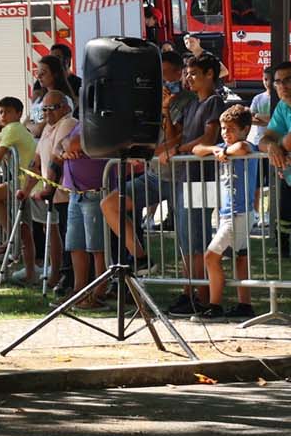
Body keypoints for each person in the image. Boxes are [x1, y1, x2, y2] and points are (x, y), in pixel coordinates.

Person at [101, 47, 189, 269]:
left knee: (188, 237)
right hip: (154, 176)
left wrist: (166, 110)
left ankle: (194, 285)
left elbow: (177, 138)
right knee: (110, 204)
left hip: (182, 177)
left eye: (165, 73)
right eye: (158, 74)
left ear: (179, 72)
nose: (162, 80)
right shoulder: (150, 98)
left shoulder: (188, 100)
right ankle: (141, 259)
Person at [164, 52, 234, 316]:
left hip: (202, 179)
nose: (189, 78)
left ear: (210, 74)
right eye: (187, 73)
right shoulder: (191, 103)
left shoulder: (214, 102)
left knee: (197, 239)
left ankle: (202, 296)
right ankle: (188, 291)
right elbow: (176, 135)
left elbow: (208, 137)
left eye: (194, 73)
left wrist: (178, 150)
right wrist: (165, 110)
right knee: (186, 239)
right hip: (185, 177)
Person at [192, 104, 261, 318]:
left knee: (210, 257)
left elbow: (243, 148)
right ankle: (245, 305)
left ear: (245, 129)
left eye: (231, 129)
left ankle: (214, 305)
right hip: (227, 213)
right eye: (223, 128)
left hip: (239, 213)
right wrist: (215, 149)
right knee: (240, 257)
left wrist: (223, 151)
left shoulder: (246, 146)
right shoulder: (223, 147)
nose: (225, 133)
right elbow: (196, 150)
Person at [0, 97, 40, 284]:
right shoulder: (8, 130)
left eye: (7, 112)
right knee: (24, 229)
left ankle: (10, 238)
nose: (2, 116)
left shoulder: (14, 129)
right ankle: (12, 240)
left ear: (19, 113)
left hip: (29, 183)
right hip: (22, 181)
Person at [57, 125, 116, 309]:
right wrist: (64, 150)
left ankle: (98, 293)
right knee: (76, 245)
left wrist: (66, 146)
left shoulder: (97, 122)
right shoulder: (79, 124)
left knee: (97, 247)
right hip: (76, 193)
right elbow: (61, 144)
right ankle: (79, 291)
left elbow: (72, 143)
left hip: (95, 192)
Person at [29, 89, 78, 296]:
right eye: (44, 109)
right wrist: (25, 189)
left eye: (52, 108)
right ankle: (59, 273)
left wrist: (48, 188)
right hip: (54, 193)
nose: (47, 112)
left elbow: (57, 157)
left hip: (66, 191)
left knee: (70, 237)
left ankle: (69, 277)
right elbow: (36, 161)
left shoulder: (67, 123)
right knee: (56, 233)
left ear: (65, 108)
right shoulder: (49, 127)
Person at [253, 60, 291, 256]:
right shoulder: (283, 107)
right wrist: (272, 147)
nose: (282, 86)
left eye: (288, 80)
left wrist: (281, 146)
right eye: (278, 81)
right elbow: (264, 140)